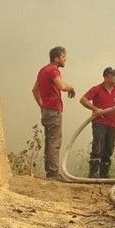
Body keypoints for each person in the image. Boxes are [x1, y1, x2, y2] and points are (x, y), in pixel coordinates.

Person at [80, 67, 115, 178]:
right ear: (105, 77)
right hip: (99, 122)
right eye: (113, 75)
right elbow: (83, 100)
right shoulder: (97, 89)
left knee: (109, 148)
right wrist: (95, 109)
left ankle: (104, 174)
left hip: (112, 124)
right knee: (98, 145)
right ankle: (93, 174)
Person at [32, 46, 76, 179]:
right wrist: (71, 87)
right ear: (56, 58)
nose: (65, 59)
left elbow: (34, 90)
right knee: (55, 142)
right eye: (63, 57)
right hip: (53, 110)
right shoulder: (53, 70)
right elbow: (62, 86)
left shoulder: (42, 70)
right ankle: (53, 173)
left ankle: (50, 171)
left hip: (46, 110)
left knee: (49, 141)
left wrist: (42, 105)